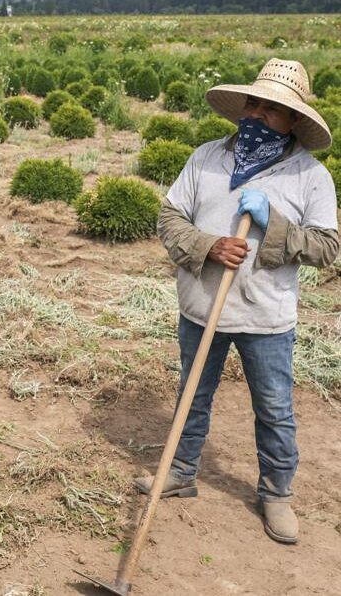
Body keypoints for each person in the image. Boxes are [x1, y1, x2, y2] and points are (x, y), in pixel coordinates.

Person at [141, 58, 338, 544]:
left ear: (294, 120)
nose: (257, 114)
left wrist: (275, 223)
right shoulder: (207, 157)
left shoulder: (309, 176)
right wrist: (209, 246)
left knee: (273, 408)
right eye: (253, 103)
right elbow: (169, 219)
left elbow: (328, 248)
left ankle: (276, 494)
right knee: (193, 395)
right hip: (202, 306)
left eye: (272, 109)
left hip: (265, 314)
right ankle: (181, 471)